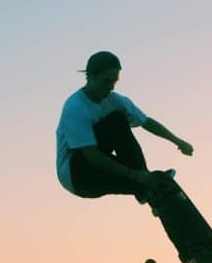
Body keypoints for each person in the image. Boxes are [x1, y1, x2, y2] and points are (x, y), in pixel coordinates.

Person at [56, 51, 193, 209]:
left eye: (114, 82)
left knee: (118, 118)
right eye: (106, 81)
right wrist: (136, 175)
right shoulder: (75, 107)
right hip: (77, 175)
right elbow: (92, 156)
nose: (110, 88)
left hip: (97, 165)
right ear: (91, 76)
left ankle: (145, 189)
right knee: (116, 120)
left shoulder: (115, 100)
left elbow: (147, 122)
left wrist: (178, 142)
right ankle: (143, 184)